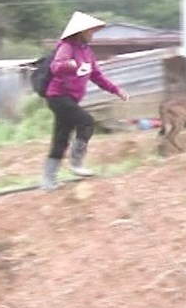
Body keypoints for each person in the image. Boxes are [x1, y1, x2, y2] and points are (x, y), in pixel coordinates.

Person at [41, 12, 129, 191]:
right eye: (89, 31)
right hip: (58, 97)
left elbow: (96, 76)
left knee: (61, 137)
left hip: (70, 99)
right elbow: (56, 67)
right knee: (86, 122)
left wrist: (116, 90)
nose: (92, 34)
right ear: (80, 32)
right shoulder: (67, 47)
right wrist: (68, 65)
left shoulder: (87, 52)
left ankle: (48, 180)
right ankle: (76, 163)